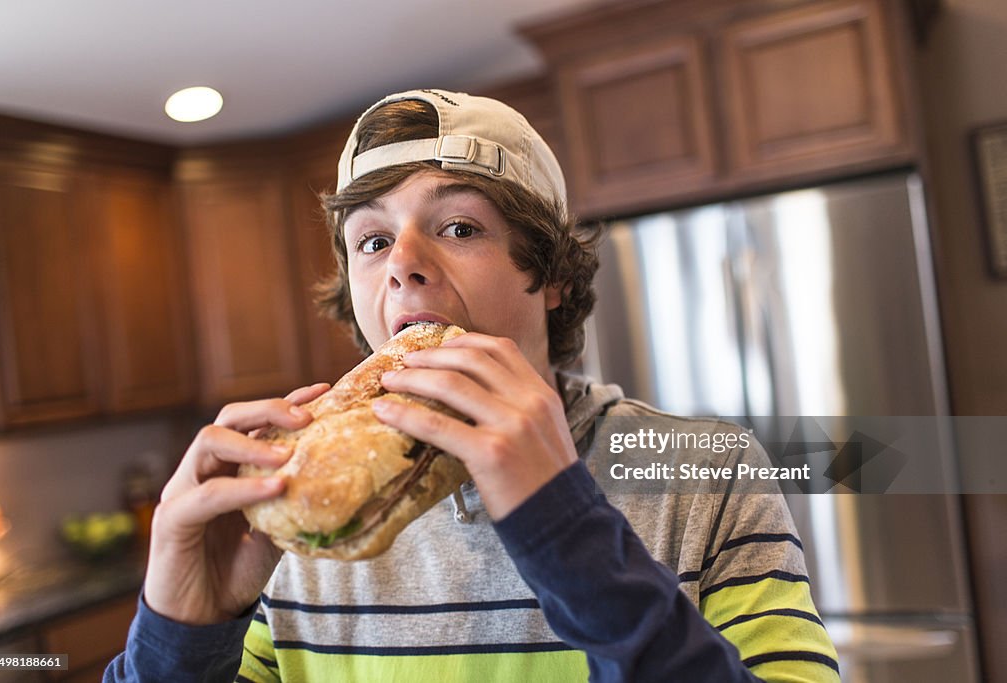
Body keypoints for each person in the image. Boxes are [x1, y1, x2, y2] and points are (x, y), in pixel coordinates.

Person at [105, 89, 839, 682]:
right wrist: (179, 639)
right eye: (372, 239)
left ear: (550, 274)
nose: (402, 263)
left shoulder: (708, 473)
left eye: (457, 226)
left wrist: (563, 525)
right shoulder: (296, 519)